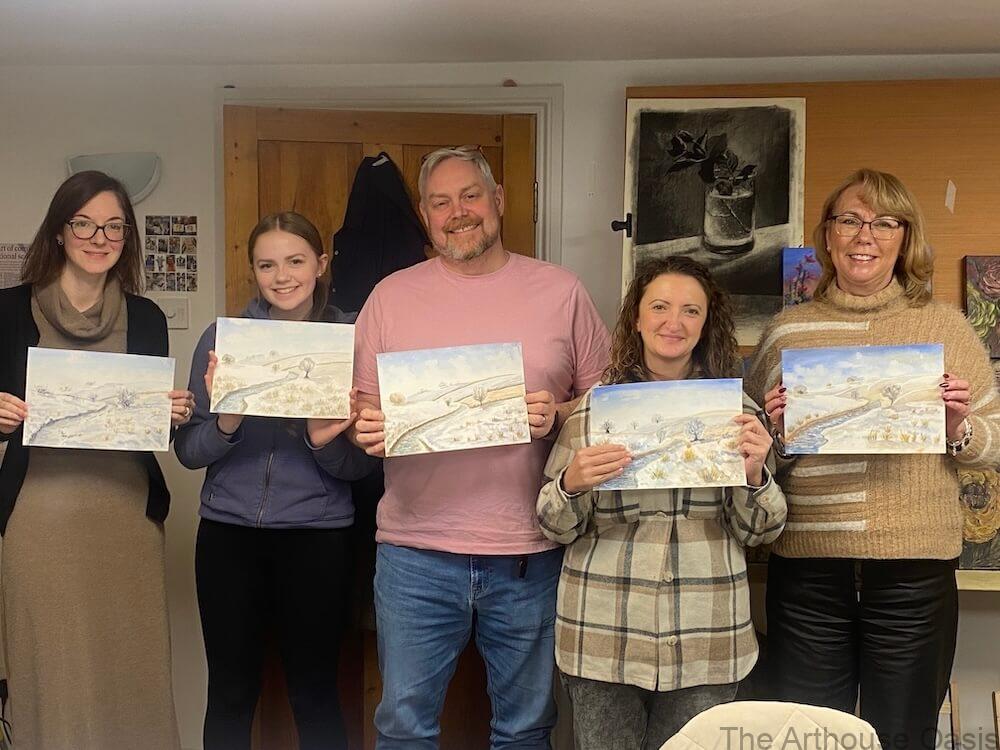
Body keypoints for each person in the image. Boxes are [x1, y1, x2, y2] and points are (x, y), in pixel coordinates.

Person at [351, 146, 611, 749]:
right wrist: (366, 428)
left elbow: (604, 401)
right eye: (440, 202)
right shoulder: (388, 298)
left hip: (530, 552)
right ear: (424, 214)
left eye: (470, 195)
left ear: (498, 201)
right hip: (414, 556)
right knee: (402, 728)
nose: (457, 212)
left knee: (524, 730)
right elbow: (364, 407)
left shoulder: (561, 291)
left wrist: (559, 413)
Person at [746, 168, 1000, 749]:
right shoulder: (788, 332)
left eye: (885, 223)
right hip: (808, 570)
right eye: (851, 220)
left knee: (904, 736)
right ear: (828, 236)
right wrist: (776, 432)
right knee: (808, 737)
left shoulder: (945, 329)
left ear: (905, 239)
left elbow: (996, 439)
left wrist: (956, 428)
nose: (866, 236)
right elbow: (754, 453)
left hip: (914, 571)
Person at [537, 256, 786, 750]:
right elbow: (552, 524)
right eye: (660, 307)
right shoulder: (593, 411)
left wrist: (755, 475)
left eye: (691, 311)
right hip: (602, 634)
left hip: (706, 637)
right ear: (636, 317)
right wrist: (571, 482)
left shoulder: (739, 416)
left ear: (706, 323)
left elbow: (760, 533)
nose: (674, 323)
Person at [0, 170, 193, 749]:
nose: (98, 236)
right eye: (84, 222)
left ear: (127, 237)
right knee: (49, 672)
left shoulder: (149, 318)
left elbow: (141, 422)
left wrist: (170, 412)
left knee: (130, 673)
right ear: (60, 231)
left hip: (124, 519)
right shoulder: (7, 311)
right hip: (37, 520)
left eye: (113, 225)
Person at [174, 212, 376, 750]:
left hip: (318, 538)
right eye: (267, 264)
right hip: (228, 537)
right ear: (254, 272)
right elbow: (189, 452)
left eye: (295, 261)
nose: (282, 276)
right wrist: (229, 421)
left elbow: (364, 469)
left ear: (321, 264)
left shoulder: (349, 340)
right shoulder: (222, 339)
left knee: (315, 693)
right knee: (231, 693)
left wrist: (319, 440)